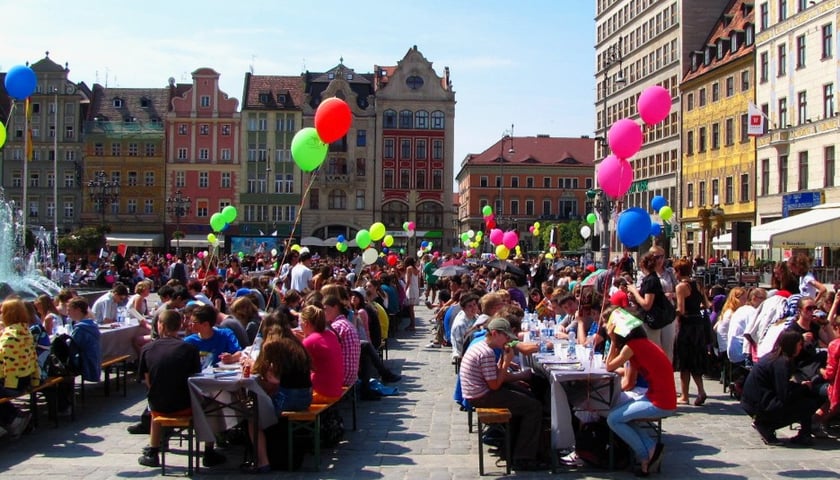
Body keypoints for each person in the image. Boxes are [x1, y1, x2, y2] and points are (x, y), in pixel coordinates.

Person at [460, 317, 547, 471]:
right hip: (482, 397)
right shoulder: (486, 352)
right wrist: (506, 363)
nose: (507, 340)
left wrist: (505, 367)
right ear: (494, 334)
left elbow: (493, 376)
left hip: (479, 392)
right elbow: (494, 385)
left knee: (527, 395)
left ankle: (513, 448)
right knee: (534, 407)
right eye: (505, 337)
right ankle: (523, 457)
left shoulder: (482, 346)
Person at [605, 313, 676, 476]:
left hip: (660, 402)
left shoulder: (632, 346)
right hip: (658, 396)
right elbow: (629, 374)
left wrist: (613, 340)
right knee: (621, 414)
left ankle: (644, 457)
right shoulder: (642, 344)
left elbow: (609, 366)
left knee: (613, 419)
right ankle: (651, 449)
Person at [136, 310, 207, 468]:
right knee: (210, 405)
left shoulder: (147, 349)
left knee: (154, 401)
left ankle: (153, 451)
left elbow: (148, 381)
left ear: (160, 326)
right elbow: (195, 379)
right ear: (180, 325)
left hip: (158, 407)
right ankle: (209, 450)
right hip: (186, 407)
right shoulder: (190, 349)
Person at [741, 331, 822, 446]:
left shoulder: (775, 357)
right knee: (809, 404)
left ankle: (804, 434)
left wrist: (799, 386)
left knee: (804, 396)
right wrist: (803, 387)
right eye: (799, 344)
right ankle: (766, 425)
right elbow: (785, 394)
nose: (801, 347)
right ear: (792, 345)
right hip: (761, 404)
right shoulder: (781, 362)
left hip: (755, 400)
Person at [673, 258, 712, 406]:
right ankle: (701, 391)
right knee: (695, 361)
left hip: (687, 326)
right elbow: (706, 304)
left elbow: (681, 310)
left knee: (684, 362)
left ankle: (684, 395)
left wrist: (670, 312)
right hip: (699, 326)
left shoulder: (681, 287)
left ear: (678, 271)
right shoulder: (698, 284)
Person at [0, 299, 40, 438]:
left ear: (8, 314)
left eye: (2, 312)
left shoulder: (10, 336)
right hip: (25, 380)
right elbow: (34, 359)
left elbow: (5, 366)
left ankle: (12, 419)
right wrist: (35, 381)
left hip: (13, 383)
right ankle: (15, 417)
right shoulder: (25, 332)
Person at [627, 251, 676, 362]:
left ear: (643, 265)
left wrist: (634, 291)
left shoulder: (651, 280)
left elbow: (647, 304)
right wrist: (635, 297)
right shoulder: (650, 279)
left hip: (652, 322)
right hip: (650, 320)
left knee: (654, 351)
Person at [298, 305, 344, 404]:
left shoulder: (310, 341)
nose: (300, 326)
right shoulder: (330, 334)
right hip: (335, 390)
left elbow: (295, 366)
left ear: (306, 323)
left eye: (300, 323)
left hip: (321, 394)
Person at [403, 257, 420, 331]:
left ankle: (412, 324)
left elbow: (408, 280)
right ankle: (411, 323)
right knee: (411, 308)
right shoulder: (416, 269)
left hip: (411, 289)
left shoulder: (409, 268)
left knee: (411, 309)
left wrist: (405, 289)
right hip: (415, 288)